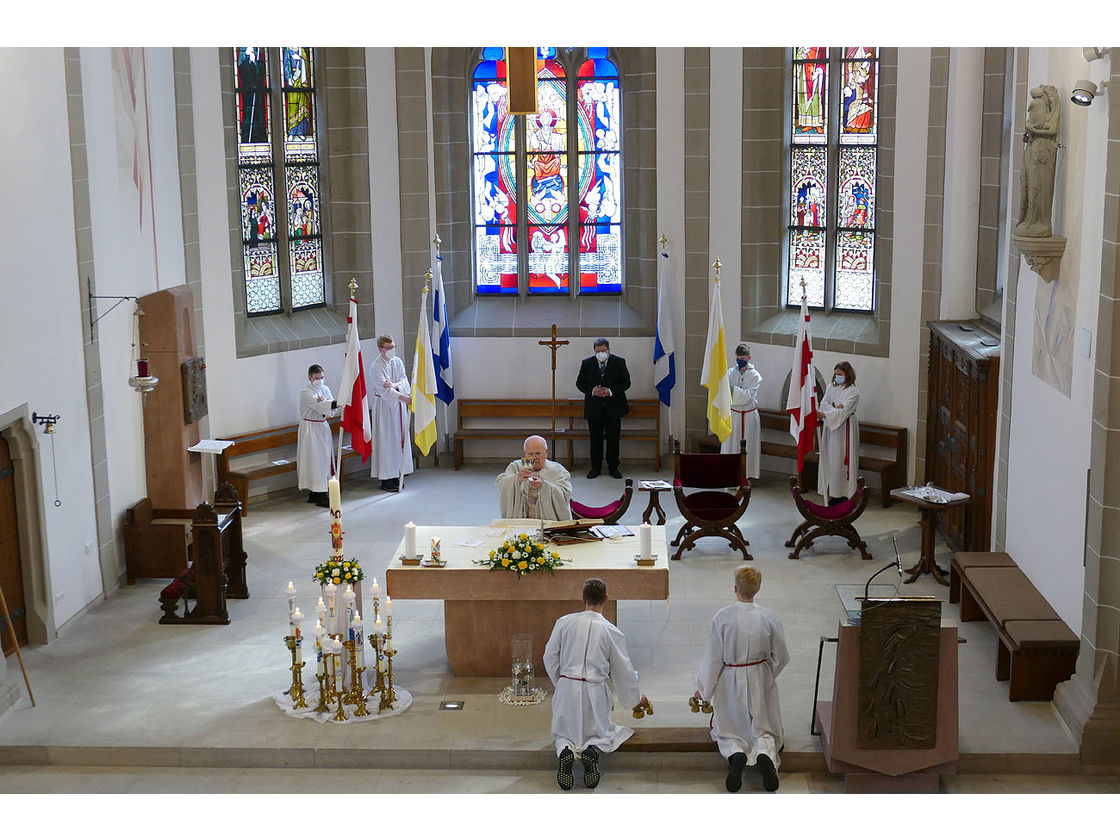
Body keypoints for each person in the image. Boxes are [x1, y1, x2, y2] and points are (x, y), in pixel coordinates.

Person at [543, 578, 648, 790]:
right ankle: (592, 751)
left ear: (583, 598)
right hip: (595, 690)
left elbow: (549, 656)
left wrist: (561, 682)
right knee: (602, 733)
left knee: (564, 733)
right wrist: (635, 699)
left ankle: (566, 752)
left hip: (567, 685)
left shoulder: (564, 622)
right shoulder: (611, 631)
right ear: (606, 599)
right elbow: (623, 670)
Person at [695, 565, 789, 793]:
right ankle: (765, 754)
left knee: (729, 729)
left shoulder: (723, 617)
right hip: (760, 676)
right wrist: (765, 674)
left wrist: (703, 690)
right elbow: (782, 656)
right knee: (763, 728)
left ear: (735, 588)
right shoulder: (770, 618)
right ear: (758, 588)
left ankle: (736, 754)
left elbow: (713, 659)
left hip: (731, 679)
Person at [575, 337, 630, 479]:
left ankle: (613, 468)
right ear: (594, 351)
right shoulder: (587, 363)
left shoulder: (619, 362)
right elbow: (580, 383)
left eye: (603, 351)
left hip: (614, 407)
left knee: (613, 439)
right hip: (594, 408)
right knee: (595, 439)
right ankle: (595, 468)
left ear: (609, 350)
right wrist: (593, 391)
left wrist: (610, 391)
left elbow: (626, 382)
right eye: (598, 351)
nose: (601, 353)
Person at [369, 334, 414, 492]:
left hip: (399, 407)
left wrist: (394, 386)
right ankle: (387, 478)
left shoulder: (397, 362)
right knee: (387, 441)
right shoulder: (376, 366)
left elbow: (404, 381)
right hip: (385, 407)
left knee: (398, 440)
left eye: (393, 347)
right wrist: (403, 397)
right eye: (388, 348)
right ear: (380, 349)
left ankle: (398, 473)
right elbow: (383, 389)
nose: (391, 350)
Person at [495, 435, 572, 520]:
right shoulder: (516, 467)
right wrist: (517, 478)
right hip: (521, 519)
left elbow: (565, 494)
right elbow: (501, 484)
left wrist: (544, 486)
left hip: (548, 520)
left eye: (538, 453)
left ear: (546, 452)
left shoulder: (558, 471)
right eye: (530, 454)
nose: (534, 458)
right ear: (525, 453)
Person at [816, 360, 860, 505]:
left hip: (845, 430)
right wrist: (835, 408)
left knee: (841, 462)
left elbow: (845, 411)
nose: (837, 377)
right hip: (831, 428)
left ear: (848, 375)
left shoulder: (853, 391)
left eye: (840, 374)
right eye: (835, 374)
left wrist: (829, 411)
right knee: (832, 460)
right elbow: (823, 404)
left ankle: (844, 494)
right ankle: (833, 492)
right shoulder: (831, 387)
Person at [296, 364, 338, 508]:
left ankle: (316, 492)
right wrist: (333, 403)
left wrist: (329, 404)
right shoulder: (305, 392)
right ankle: (320, 493)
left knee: (324, 459)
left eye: (322, 377)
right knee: (315, 461)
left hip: (322, 426)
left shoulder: (325, 389)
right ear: (309, 377)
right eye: (316, 378)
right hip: (310, 429)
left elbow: (331, 410)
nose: (320, 380)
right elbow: (320, 405)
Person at [722, 343, 762, 478]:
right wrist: (733, 392)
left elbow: (746, 397)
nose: (740, 361)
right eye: (738, 358)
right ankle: (729, 474)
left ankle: (746, 475)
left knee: (748, 446)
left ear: (749, 358)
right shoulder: (729, 373)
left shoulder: (755, 376)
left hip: (748, 416)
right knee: (731, 445)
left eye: (743, 358)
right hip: (734, 415)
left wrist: (732, 389)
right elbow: (724, 393)